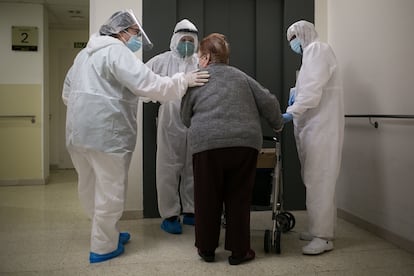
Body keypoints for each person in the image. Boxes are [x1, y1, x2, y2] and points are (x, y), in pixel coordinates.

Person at [61, 9, 209, 263]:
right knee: (110, 190)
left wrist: (88, 111)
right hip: (106, 134)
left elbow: (67, 93)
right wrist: (183, 81)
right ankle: (103, 247)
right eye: (135, 33)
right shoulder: (116, 51)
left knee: (89, 186)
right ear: (122, 31)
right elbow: (150, 84)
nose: (137, 38)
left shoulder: (84, 54)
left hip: (78, 132)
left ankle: (107, 233)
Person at [181, 33, 284, 265]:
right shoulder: (243, 78)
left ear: (206, 57)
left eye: (199, 55)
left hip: (207, 145)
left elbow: (185, 116)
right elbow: (269, 102)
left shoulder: (197, 79)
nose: (198, 60)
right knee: (239, 198)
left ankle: (206, 249)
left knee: (206, 197)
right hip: (244, 145)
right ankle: (239, 252)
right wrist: (277, 124)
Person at [282, 20, 344, 255]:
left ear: (303, 34)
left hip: (322, 127)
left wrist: (291, 111)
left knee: (320, 179)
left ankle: (323, 237)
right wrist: (294, 96)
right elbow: (307, 86)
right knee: (314, 179)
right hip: (314, 127)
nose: (293, 44)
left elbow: (311, 90)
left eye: (293, 38)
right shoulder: (311, 55)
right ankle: (318, 228)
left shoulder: (318, 50)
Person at [145, 19, 199, 235]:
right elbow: (141, 83)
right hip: (169, 118)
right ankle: (169, 215)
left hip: (196, 118)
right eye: (183, 39)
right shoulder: (160, 61)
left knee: (193, 166)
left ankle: (191, 211)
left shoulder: (200, 62)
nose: (186, 43)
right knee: (168, 166)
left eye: (190, 40)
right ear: (175, 39)